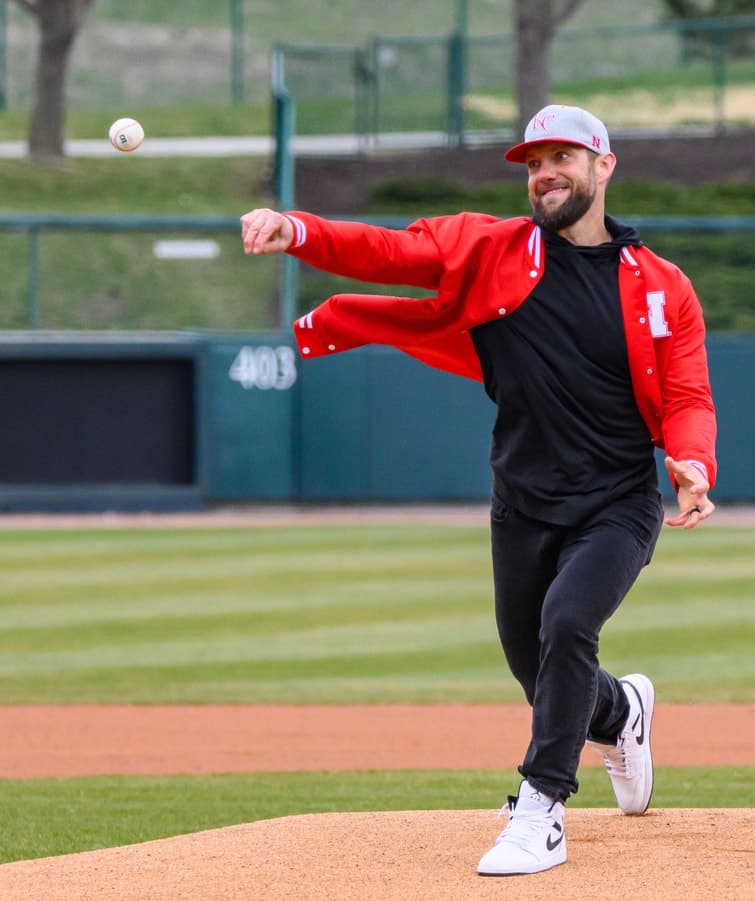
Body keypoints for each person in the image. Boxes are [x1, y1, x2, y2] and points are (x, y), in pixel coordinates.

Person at [240, 104, 718, 877]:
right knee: (536, 665)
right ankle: (621, 712)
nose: (544, 174)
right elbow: (389, 251)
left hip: (617, 502)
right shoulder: (489, 248)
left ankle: (541, 807)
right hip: (523, 499)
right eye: (533, 163)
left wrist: (693, 462)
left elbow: (689, 394)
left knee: (569, 621)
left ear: (604, 166)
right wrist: (297, 230)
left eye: (561, 157)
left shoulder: (662, 285)